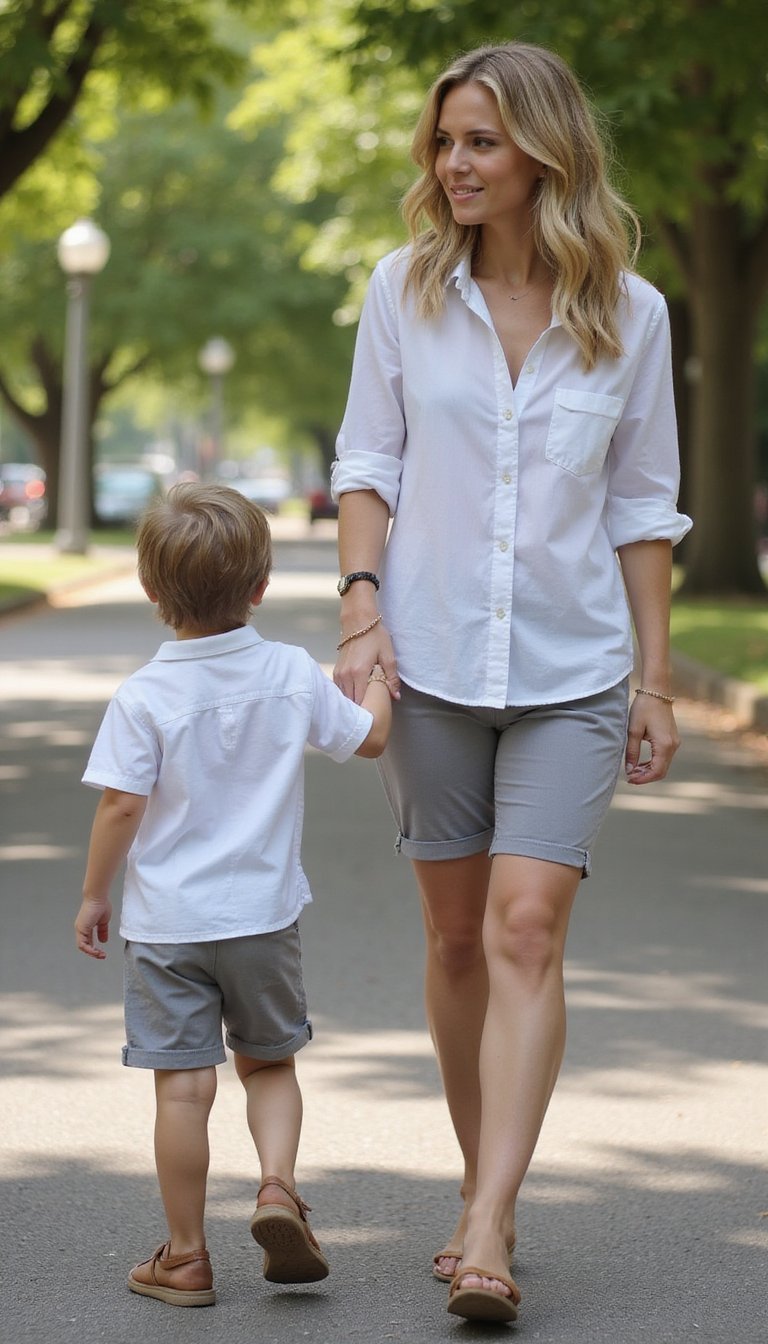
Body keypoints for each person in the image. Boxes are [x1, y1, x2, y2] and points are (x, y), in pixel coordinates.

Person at [332, 41, 691, 1324]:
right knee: (452, 935)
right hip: (427, 657)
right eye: (444, 143)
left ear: (543, 150)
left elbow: (645, 508)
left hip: (570, 666)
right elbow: (367, 463)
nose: (454, 164)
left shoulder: (631, 314)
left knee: (526, 926)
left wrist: (653, 681)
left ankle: (486, 1219)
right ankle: (490, 1179)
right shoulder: (402, 290)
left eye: (479, 141)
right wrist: (361, 609)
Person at [74, 482, 391, 1308]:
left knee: (183, 1086)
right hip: (262, 918)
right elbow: (373, 739)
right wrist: (384, 675)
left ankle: (184, 1257)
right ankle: (278, 1189)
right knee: (269, 1062)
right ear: (261, 585)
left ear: (150, 590)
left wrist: (93, 895)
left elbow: (120, 804)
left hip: (168, 926)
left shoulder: (143, 696)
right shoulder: (288, 672)